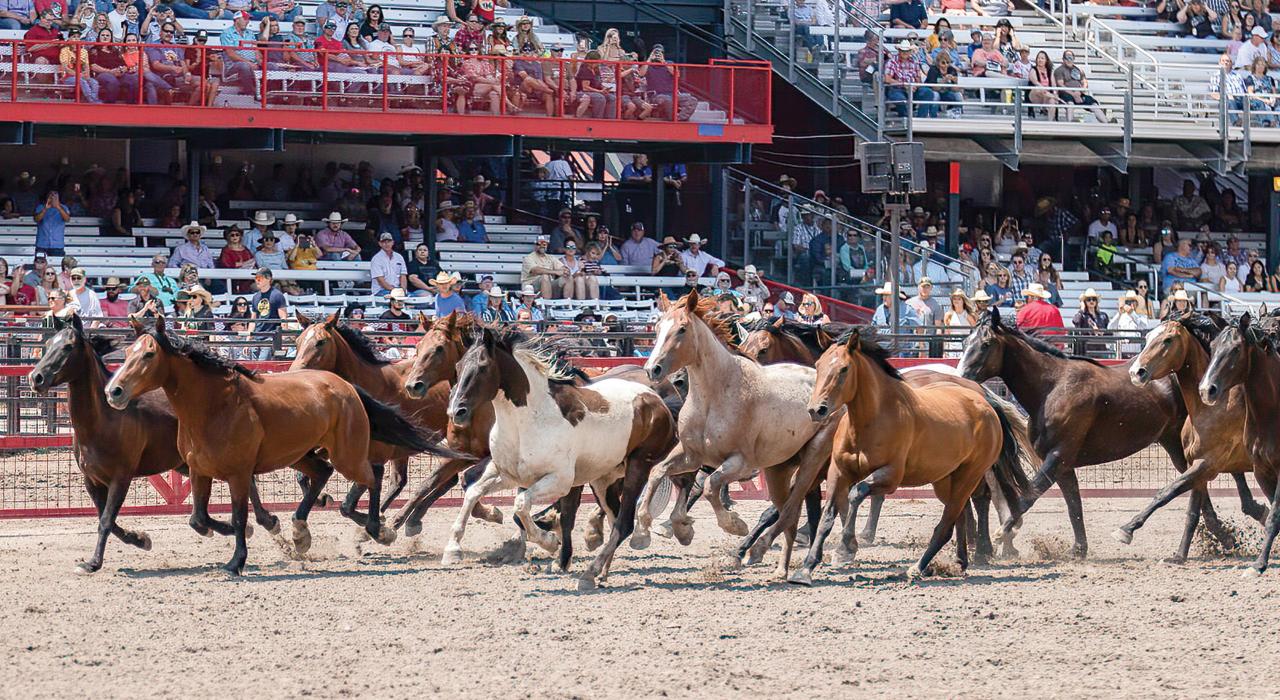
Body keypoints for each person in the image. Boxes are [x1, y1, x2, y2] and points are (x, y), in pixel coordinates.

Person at [1053, 51, 1108, 122]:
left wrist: (1080, 92)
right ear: (1063, 59)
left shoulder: (1078, 70)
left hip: (1079, 94)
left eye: (1071, 58)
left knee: (1093, 104)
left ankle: (1106, 123)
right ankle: (1070, 123)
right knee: (1070, 103)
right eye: (1067, 58)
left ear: (1073, 59)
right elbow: (1060, 84)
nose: (1069, 60)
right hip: (1065, 94)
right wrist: (1073, 94)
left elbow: (1084, 82)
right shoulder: (1059, 70)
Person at [884, 39, 934, 118]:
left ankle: (921, 118)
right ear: (899, 51)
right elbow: (887, 79)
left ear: (910, 51)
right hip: (897, 89)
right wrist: (904, 85)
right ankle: (905, 118)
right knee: (900, 98)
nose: (905, 52)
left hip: (912, 88)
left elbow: (918, 80)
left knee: (928, 92)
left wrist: (915, 86)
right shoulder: (892, 61)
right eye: (903, 50)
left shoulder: (914, 61)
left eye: (907, 51)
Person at [248, 267, 286, 358]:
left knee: (262, 365)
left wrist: (283, 340)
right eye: (256, 278)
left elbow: (283, 318)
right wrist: (248, 339)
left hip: (270, 336)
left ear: (268, 279)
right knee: (253, 367)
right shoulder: (255, 297)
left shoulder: (277, 295)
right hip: (256, 336)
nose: (257, 280)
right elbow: (253, 319)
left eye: (259, 278)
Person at [521, 234, 566, 299]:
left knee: (567, 277)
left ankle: (569, 304)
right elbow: (536, 270)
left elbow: (563, 269)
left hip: (549, 286)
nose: (542, 246)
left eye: (544, 244)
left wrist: (565, 271)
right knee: (545, 276)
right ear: (535, 245)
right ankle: (547, 305)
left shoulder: (551, 257)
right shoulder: (528, 258)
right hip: (531, 289)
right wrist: (556, 272)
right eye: (539, 244)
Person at [370, 231, 407, 296]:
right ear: (380, 244)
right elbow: (381, 281)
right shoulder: (376, 259)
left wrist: (403, 290)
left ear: (393, 242)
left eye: (389, 241)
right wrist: (396, 291)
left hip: (398, 290)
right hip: (380, 291)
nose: (386, 244)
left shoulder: (399, 257)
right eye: (384, 242)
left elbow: (403, 276)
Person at [33, 189, 69, 256]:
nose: (53, 197)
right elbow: (36, 219)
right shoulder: (40, 207)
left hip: (57, 245)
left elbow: (67, 219)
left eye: (55, 195)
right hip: (42, 244)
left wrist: (58, 207)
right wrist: (45, 208)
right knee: (39, 265)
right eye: (51, 195)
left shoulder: (64, 208)